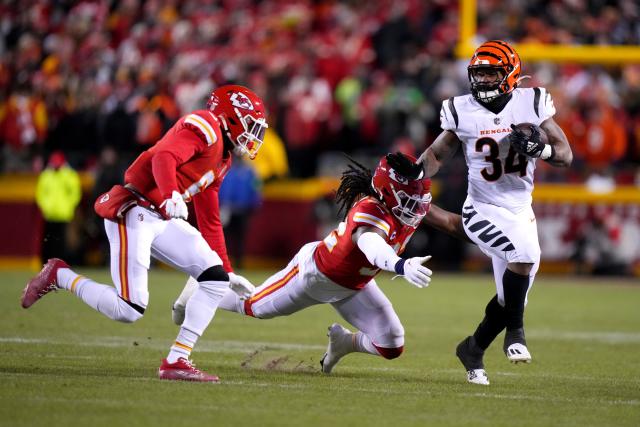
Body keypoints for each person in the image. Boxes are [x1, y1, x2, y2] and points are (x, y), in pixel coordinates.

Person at [21, 85, 269, 383]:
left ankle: (177, 360)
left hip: (161, 215)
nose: (254, 136)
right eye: (251, 126)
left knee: (215, 280)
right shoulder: (206, 125)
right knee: (129, 308)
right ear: (232, 117)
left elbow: (210, 217)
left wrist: (227, 270)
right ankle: (59, 275)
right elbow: (163, 156)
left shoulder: (224, 159)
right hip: (135, 209)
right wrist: (169, 194)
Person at [172, 152, 470, 373]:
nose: (417, 208)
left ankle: (343, 343)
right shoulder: (371, 210)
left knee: (392, 344)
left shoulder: (409, 203)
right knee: (253, 307)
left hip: (354, 285)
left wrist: (491, 238)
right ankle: (203, 287)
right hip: (315, 276)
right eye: (409, 200)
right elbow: (372, 246)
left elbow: (448, 219)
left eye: (419, 200)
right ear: (387, 193)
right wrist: (402, 265)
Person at [418, 40, 573, 385]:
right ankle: (516, 333)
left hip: (520, 210)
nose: (485, 80)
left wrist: (541, 149)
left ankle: (472, 348)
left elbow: (565, 154)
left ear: (511, 74)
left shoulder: (531, 102)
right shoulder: (461, 109)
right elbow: (437, 155)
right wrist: (414, 174)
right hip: (482, 207)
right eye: (480, 73)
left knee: (510, 296)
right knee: (526, 255)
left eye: (492, 72)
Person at [35, 151, 82, 263]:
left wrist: (69, 206)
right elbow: (40, 193)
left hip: (64, 214)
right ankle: (46, 264)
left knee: (63, 242)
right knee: (48, 242)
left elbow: (75, 193)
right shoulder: (46, 175)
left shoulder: (69, 175)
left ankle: (61, 264)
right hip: (50, 215)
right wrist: (46, 207)